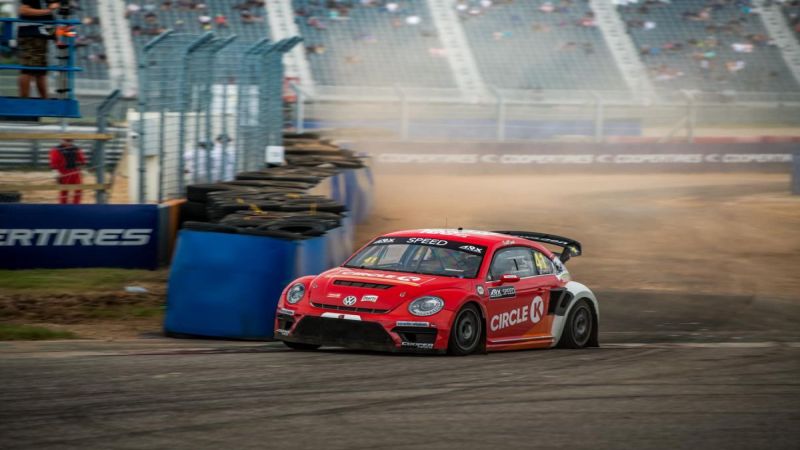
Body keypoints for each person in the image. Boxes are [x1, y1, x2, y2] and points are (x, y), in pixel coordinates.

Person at [18, 0, 60, 98]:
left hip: (41, 34)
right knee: (28, 69)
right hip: (31, 33)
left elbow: (49, 18)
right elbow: (24, 10)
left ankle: (44, 102)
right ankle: (23, 102)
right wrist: (47, 10)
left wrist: (56, 37)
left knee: (40, 71)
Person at [49, 138, 87, 204]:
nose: (69, 142)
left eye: (70, 141)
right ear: (61, 140)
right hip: (63, 172)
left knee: (79, 189)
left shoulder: (76, 149)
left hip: (75, 172)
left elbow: (81, 160)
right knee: (64, 190)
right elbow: (53, 161)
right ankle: (63, 205)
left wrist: (82, 169)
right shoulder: (56, 150)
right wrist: (55, 171)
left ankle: (76, 204)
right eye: (67, 140)